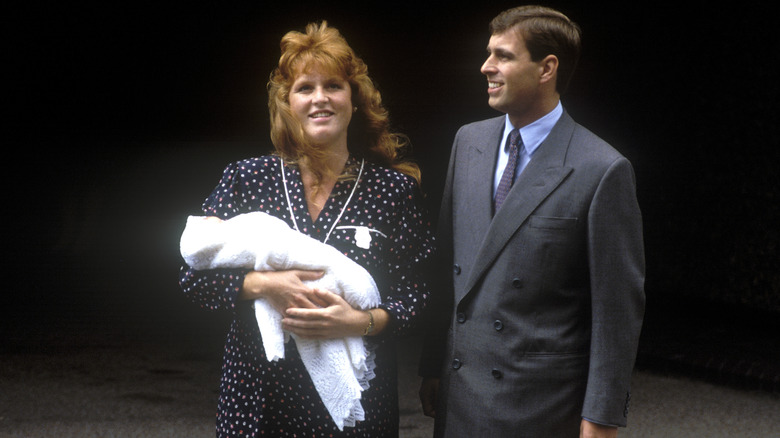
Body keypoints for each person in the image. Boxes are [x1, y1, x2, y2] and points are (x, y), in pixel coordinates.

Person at [179, 21, 434, 437]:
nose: (320, 99)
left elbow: (419, 292)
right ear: (287, 103)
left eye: (333, 85)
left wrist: (359, 322)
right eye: (305, 88)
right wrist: (265, 284)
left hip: (355, 404)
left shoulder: (393, 191)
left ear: (354, 99)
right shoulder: (248, 178)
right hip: (258, 397)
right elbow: (192, 277)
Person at [418, 5, 645, 438]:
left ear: (547, 68)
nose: (486, 67)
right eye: (488, 54)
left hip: (539, 407)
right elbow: (447, 264)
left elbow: (617, 313)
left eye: (503, 56)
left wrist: (601, 418)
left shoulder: (602, 169)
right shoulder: (468, 142)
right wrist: (433, 365)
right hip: (460, 391)